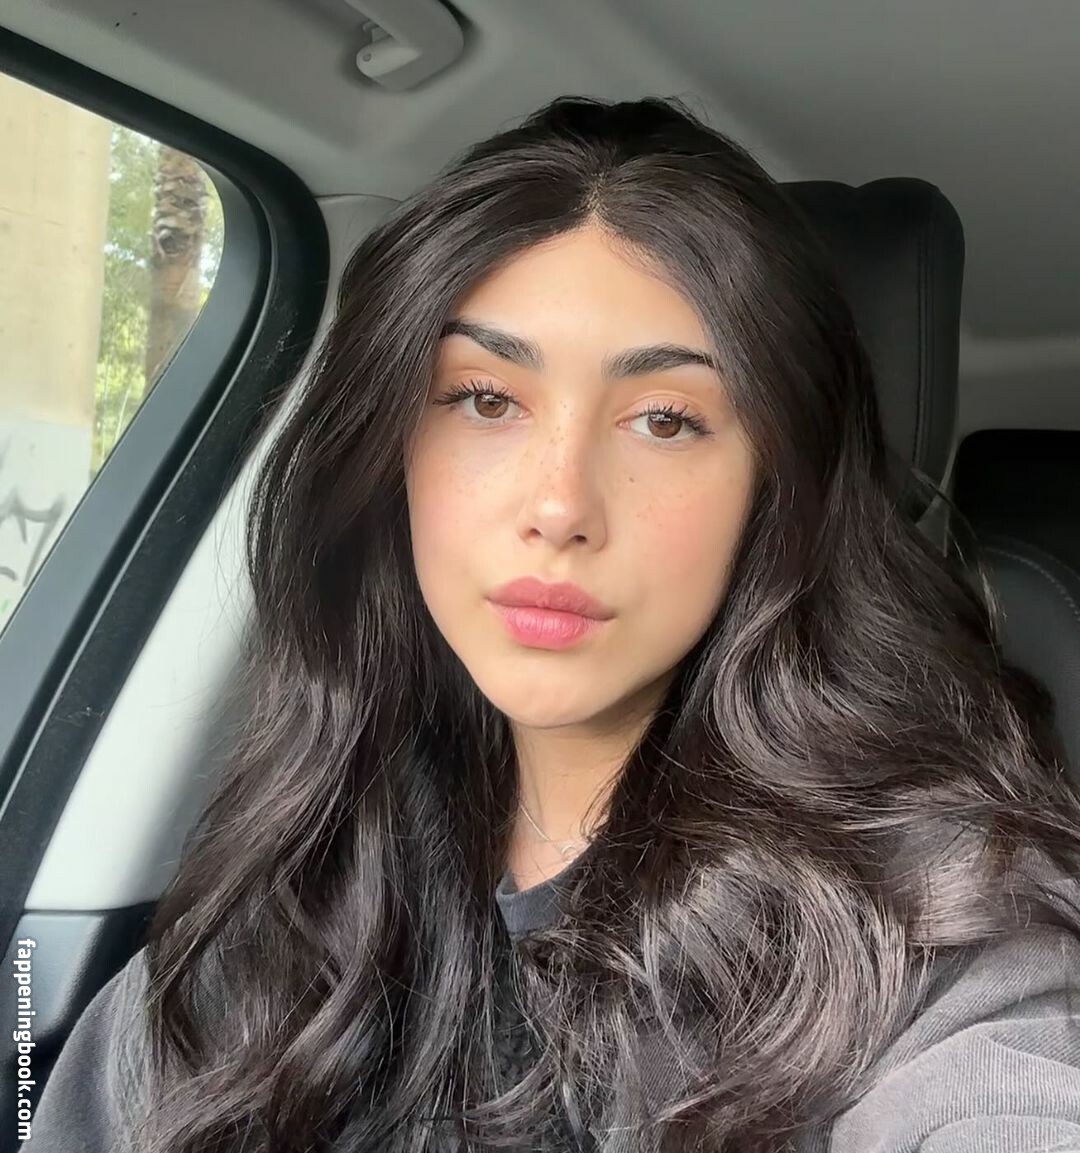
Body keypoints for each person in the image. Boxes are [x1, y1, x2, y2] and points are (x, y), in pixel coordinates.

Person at [23, 95, 1080, 1153]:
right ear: (388, 452)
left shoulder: (935, 923)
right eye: (486, 399)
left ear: (774, 491)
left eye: (666, 419)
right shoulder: (284, 897)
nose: (560, 504)